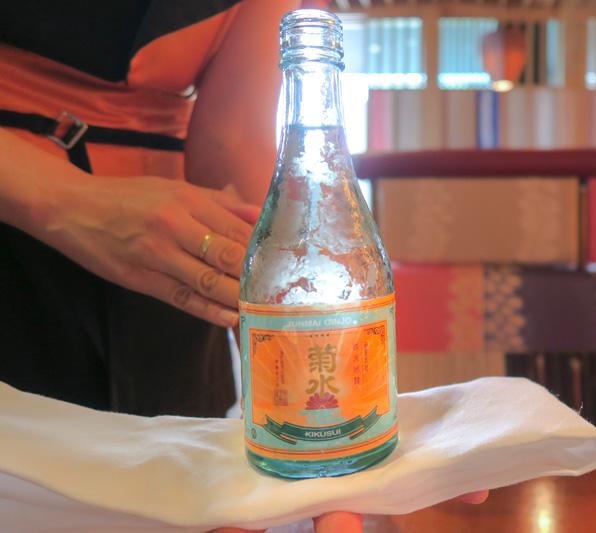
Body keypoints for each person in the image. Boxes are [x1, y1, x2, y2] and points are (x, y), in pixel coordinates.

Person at [0, 1, 488, 531]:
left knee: (178, 492)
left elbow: (233, 137)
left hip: (177, 252)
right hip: (16, 245)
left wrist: (294, 359)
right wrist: (65, 200)